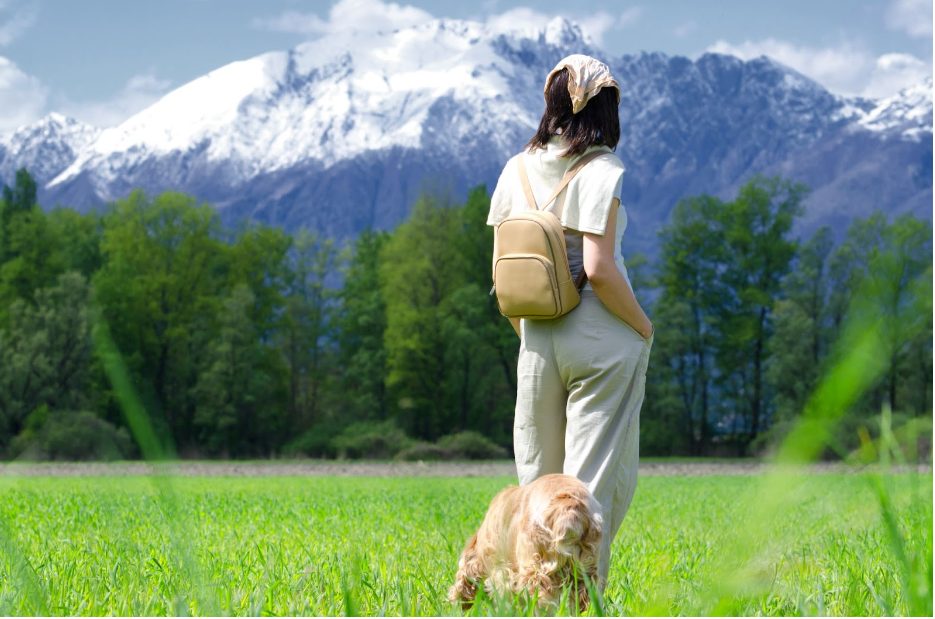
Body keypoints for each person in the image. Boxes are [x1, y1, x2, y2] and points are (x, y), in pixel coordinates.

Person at [486, 54, 654, 588]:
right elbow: (600, 269)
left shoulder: (515, 169)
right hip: (600, 337)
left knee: (538, 487)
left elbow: (503, 273)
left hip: (535, 337)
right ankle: (584, 603)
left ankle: (532, 594)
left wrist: (530, 335)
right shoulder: (603, 169)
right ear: (606, 108)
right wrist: (643, 329)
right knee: (589, 490)